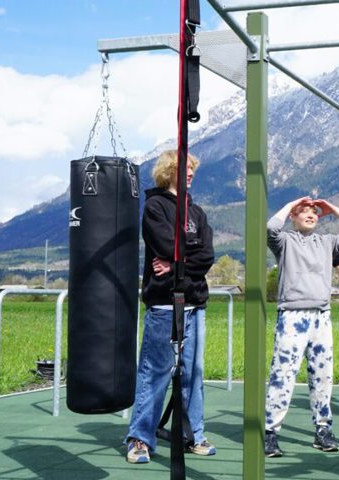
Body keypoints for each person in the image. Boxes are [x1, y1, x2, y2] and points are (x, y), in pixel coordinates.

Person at [125, 150, 216, 464]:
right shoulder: (155, 207)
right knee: (155, 372)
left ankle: (194, 435)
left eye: (192, 168)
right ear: (168, 170)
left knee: (194, 373)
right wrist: (187, 254)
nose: (190, 173)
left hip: (195, 303)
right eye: (184, 168)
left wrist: (179, 262)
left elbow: (207, 257)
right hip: (164, 303)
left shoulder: (198, 212)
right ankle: (140, 439)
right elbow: (166, 245)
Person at [263, 197, 339, 457]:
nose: (311, 215)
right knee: (283, 374)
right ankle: (270, 432)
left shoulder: (327, 242)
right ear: (293, 218)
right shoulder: (285, 241)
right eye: (304, 212)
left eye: (314, 212)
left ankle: (323, 430)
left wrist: (332, 210)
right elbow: (270, 228)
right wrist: (291, 203)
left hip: (321, 316)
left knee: (323, 376)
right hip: (292, 315)